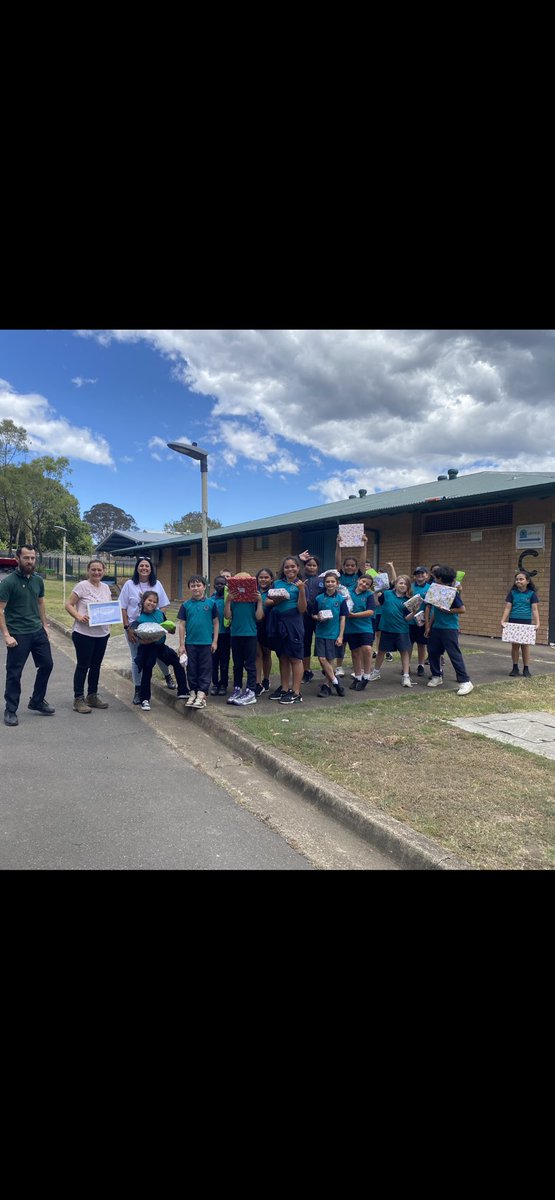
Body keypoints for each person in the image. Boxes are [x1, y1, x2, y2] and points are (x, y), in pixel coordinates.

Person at [0, 543, 54, 726]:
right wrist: (6, 635)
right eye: (26, 558)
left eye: (32, 558)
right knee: (14, 673)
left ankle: (37, 701)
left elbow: (40, 603)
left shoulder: (38, 580)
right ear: (18, 559)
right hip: (18, 634)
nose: (30, 561)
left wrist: (44, 625)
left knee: (47, 665)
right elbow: (0, 610)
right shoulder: (8, 582)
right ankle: (10, 710)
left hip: (37, 631)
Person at [119, 557, 176, 703]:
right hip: (134, 628)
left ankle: (167, 676)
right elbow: (123, 607)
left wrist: (157, 621)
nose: (144, 568)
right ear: (137, 568)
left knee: (157, 654)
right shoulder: (129, 585)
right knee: (136, 658)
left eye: (147, 566)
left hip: (153, 629)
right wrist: (127, 628)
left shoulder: (157, 584)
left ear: (151, 569)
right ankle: (138, 690)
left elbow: (164, 605)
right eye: (141, 565)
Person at [65, 558, 112, 713]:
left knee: (96, 666)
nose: (96, 572)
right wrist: (78, 616)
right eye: (93, 569)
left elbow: (108, 608)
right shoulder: (82, 586)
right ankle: (78, 699)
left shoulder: (106, 587)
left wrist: (111, 620)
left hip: (102, 634)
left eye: (99, 570)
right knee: (83, 665)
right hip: (84, 633)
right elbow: (68, 604)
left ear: (104, 571)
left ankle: (92, 696)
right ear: (88, 571)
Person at [132, 591, 188, 709]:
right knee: (147, 671)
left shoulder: (160, 614)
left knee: (177, 661)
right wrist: (147, 640)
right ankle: (144, 699)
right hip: (147, 649)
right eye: (149, 600)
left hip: (160, 646)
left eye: (154, 602)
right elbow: (138, 639)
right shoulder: (139, 619)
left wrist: (171, 629)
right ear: (144, 601)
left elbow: (168, 628)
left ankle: (183, 691)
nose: (152, 603)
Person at [265, 556, 307, 705]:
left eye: (293, 566)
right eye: (287, 567)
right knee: (282, 656)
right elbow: (268, 601)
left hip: (293, 622)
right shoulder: (277, 583)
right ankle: (284, 688)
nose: (290, 569)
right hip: (278, 622)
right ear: (283, 569)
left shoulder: (301, 584)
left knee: (295, 658)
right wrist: (277, 600)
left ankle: (296, 692)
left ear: (298, 568)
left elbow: (302, 609)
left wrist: (301, 590)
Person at [425, 564, 473, 695]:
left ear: (441, 578)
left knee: (454, 654)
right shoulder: (437, 591)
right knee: (433, 652)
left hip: (449, 628)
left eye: (436, 577)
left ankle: (465, 681)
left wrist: (448, 610)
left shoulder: (452, 593)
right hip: (437, 627)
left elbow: (462, 609)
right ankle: (436, 675)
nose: (434, 579)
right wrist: (429, 625)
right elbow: (435, 610)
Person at [177, 575, 219, 709]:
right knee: (191, 669)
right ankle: (193, 692)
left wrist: (215, 641)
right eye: (193, 586)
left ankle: (202, 693)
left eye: (198, 585)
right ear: (189, 588)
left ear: (204, 587)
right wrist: (181, 645)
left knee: (205, 668)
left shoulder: (211, 604)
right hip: (190, 643)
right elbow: (182, 625)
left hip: (206, 643)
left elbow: (216, 623)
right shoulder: (185, 605)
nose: (196, 588)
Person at [368, 573, 414, 687]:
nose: (403, 585)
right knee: (381, 651)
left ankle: (406, 676)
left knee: (404, 652)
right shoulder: (387, 594)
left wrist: (414, 612)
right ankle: (376, 672)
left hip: (401, 630)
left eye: (405, 584)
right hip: (386, 628)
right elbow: (377, 603)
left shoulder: (409, 600)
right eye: (401, 583)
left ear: (408, 587)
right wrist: (375, 592)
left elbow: (407, 618)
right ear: (396, 584)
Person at [224, 577, 264, 705]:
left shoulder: (253, 599)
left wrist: (259, 601)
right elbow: (227, 616)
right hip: (235, 634)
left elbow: (259, 617)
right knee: (237, 664)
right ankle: (237, 688)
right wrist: (228, 600)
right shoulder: (234, 599)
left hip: (250, 634)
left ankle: (251, 690)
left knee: (250, 664)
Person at [334, 532, 368, 674]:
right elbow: (337, 562)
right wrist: (338, 545)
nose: (349, 567)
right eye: (347, 565)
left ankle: (358, 669)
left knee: (356, 644)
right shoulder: (339, 576)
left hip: (354, 614)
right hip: (341, 612)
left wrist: (364, 544)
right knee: (341, 641)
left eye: (352, 566)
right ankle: (339, 666)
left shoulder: (359, 577)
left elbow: (362, 562)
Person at [312, 572, 348, 697]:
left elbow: (342, 619)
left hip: (334, 633)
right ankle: (336, 682)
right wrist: (318, 617)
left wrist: (341, 636)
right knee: (322, 659)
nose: (330, 584)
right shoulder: (319, 598)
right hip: (321, 632)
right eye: (327, 581)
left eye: (333, 581)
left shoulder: (341, 599)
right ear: (324, 583)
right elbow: (313, 614)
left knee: (330, 660)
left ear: (337, 584)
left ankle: (327, 685)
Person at [501, 569, 540, 677]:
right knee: (515, 646)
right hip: (513, 621)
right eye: (517, 579)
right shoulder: (512, 593)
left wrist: (537, 623)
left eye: (521, 579)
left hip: (526, 622)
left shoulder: (532, 594)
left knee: (525, 646)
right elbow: (508, 608)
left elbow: (535, 609)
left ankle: (526, 668)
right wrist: (503, 620)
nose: (518, 581)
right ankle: (515, 668)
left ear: (527, 581)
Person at [345, 574, 376, 689]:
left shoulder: (369, 595)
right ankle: (357, 677)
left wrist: (354, 615)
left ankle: (366, 676)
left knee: (367, 649)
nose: (364, 584)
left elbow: (370, 611)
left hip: (365, 627)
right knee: (355, 653)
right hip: (350, 628)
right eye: (363, 581)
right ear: (358, 580)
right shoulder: (347, 592)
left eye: (367, 584)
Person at [300, 555, 323, 682]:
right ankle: (306, 671)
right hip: (305, 617)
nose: (311, 567)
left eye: (314, 565)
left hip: (319, 616)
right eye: (309, 565)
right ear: (304, 566)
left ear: (318, 567)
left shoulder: (322, 580)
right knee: (306, 643)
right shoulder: (300, 579)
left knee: (322, 642)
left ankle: (326, 668)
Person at [210, 575, 231, 695]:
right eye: (217, 584)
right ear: (214, 586)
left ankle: (223, 684)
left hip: (226, 634)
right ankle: (215, 684)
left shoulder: (228, 599)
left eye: (222, 584)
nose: (220, 586)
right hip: (213, 635)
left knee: (224, 661)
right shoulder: (211, 600)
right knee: (214, 662)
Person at [255, 567, 275, 695]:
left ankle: (266, 679)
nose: (263, 579)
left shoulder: (274, 591)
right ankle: (257, 683)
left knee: (267, 653)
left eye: (266, 577)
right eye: (261, 577)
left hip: (269, 625)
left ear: (271, 579)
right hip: (255, 625)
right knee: (257, 654)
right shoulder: (253, 591)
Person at [408, 566, 430, 676]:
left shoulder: (430, 588)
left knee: (421, 644)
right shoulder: (410, 587)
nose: (420, 575)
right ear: (414, 576)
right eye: (417, 573)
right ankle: (406, 665)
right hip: (410, 621)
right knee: (408, 644)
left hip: (422, 621)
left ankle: (421, 665)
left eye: (422, 573)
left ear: (427, 575)